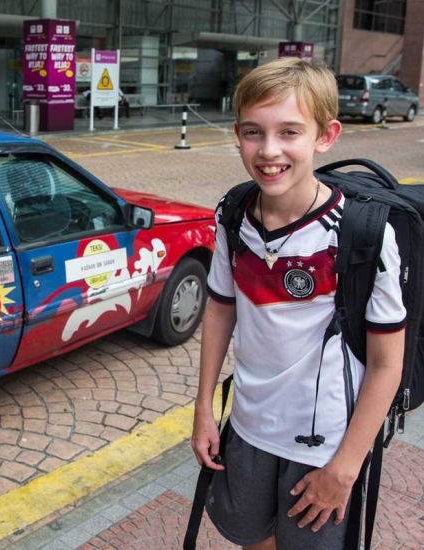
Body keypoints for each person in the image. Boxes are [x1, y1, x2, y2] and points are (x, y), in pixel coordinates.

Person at [191, 56, 406, 550]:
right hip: (246, 425)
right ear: (237, 133)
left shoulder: (364, 234)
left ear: (325, 136)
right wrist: (204, 408)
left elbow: (385, 364)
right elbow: (222, 308)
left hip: (325, 445)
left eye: (289, 132)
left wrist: (346, 467)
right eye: (253, 132)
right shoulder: (233, 213)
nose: (269, 151)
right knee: (253, 540)